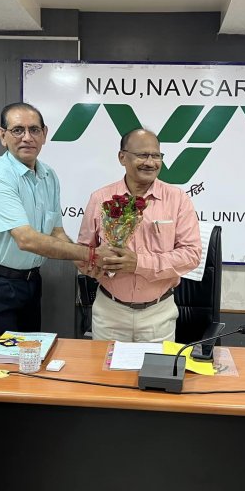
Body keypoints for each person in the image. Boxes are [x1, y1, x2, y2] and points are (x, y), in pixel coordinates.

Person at [0, 102, 111, 334]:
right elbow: (27, 240)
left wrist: (83, 263)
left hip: (30, 283)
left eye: (34, 130)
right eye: (17, 130)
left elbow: (56, 231)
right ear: (2, 136)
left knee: (27, 357)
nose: (27, 137)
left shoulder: (48, 175)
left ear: (44, 135)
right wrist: (90, 254)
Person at [78, 128, 202, 342]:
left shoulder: (178, 199)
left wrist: (137, 263)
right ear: (122, 157)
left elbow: (191, 255)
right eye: (143, 155)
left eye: (156, 156)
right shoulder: (100, 199)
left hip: (158, 314)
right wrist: (97, 265)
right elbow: (82, 252)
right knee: (105, 375)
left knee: (154, 375)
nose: (150, 162)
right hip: (110, 313)